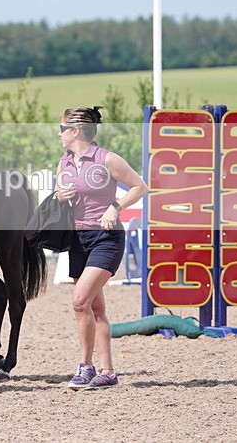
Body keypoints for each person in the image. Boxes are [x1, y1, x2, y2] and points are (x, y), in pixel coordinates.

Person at [54, 106, 148, 390]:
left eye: (62, 129)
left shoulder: (107, 159)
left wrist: (115, 207)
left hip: (106, 238)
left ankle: (86, 367)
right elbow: (61, 194)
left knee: (79, 301)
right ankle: (108, 373)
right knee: (95, 309)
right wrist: (60, 195)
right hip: (77, 239)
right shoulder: (64, 162)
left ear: (76, 131)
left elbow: (140, 187)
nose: (58, 134)